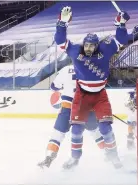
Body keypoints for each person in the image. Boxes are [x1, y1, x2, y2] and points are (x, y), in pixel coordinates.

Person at [54, 6, 130, 169]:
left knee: (105, 128)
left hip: (100, 96)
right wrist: (62, 23)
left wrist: (121, 24)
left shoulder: (106, 48)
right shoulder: (75, 51)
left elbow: (121, 40)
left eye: (92, 46)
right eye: (86, 45)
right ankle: (74, 159)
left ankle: (114, 157)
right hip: (81, 96)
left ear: (97, 45)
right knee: (76, 130)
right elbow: (60, 41)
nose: (88, 48)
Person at [38, 64, 105, 169]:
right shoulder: (91, 68)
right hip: (86, 108)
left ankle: (49, 156)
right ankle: (110, 155)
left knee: (58, 134)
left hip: (68, 107)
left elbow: (54, 86)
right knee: (96, 133)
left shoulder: (65, 69)